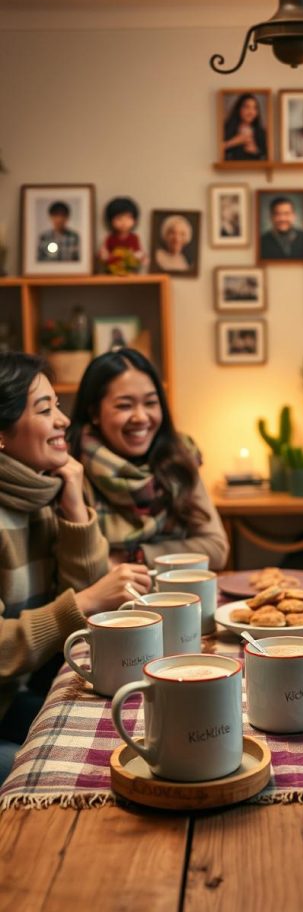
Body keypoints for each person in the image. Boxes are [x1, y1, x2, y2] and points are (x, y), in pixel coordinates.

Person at [0, 353, 151, 780]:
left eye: (58, 406)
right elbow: (85, 600)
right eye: (45, 409)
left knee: (122, 736)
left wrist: (74, 502)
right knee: (73, 776)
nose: (63, 421)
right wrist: (83, 600)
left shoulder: (36, 495)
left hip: (14, 697)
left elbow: (91, 614)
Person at [68, 348, 229, 570]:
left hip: (178, 598)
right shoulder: (71, 469)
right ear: (94, 413)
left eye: (151, 403)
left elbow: (215, 548)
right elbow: (80, 564)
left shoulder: (178, 457)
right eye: (124, 405)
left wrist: (136, 555)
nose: (141, 417)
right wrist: (180, 551)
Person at [99, 196, 147, 275]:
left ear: (134, 220)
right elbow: (104, 253)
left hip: (130, 272)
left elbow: (139, 253)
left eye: (128, 218)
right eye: (119, 218)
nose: (124, 222)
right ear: (111, 220)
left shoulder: (134, 238)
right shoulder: (110, 238)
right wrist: (105, 256)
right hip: (112, 272)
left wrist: (141, 257)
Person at [222, 93, 267, 162]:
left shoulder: (261, 132)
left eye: (254, 108)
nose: (251, 112)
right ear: (239, 109)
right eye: (247, 107)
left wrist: (255, 151)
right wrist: (235, 141)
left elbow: (266, 157)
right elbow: (213, 151)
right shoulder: (226, 128)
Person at [260, 196, 303, 261]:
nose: (282, 218)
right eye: (277, 214)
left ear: (294, 216)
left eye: (286, 213)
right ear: (271, 217)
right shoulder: (261, 242)